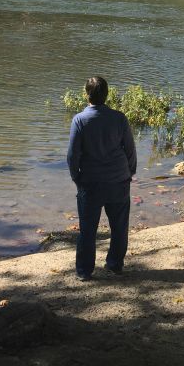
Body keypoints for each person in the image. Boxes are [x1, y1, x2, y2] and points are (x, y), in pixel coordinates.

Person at [66, 76, 137, 281]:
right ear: (107, 94)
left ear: (86, 93)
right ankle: (115, 265)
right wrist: (129, 172)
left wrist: (76, 177)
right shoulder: (119, 118)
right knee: (119, 227)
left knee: (88, 230)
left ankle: (84, 271)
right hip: (119, 180)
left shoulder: (80, 120)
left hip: (91, 182)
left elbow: (73, 155)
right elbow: (130, 149)